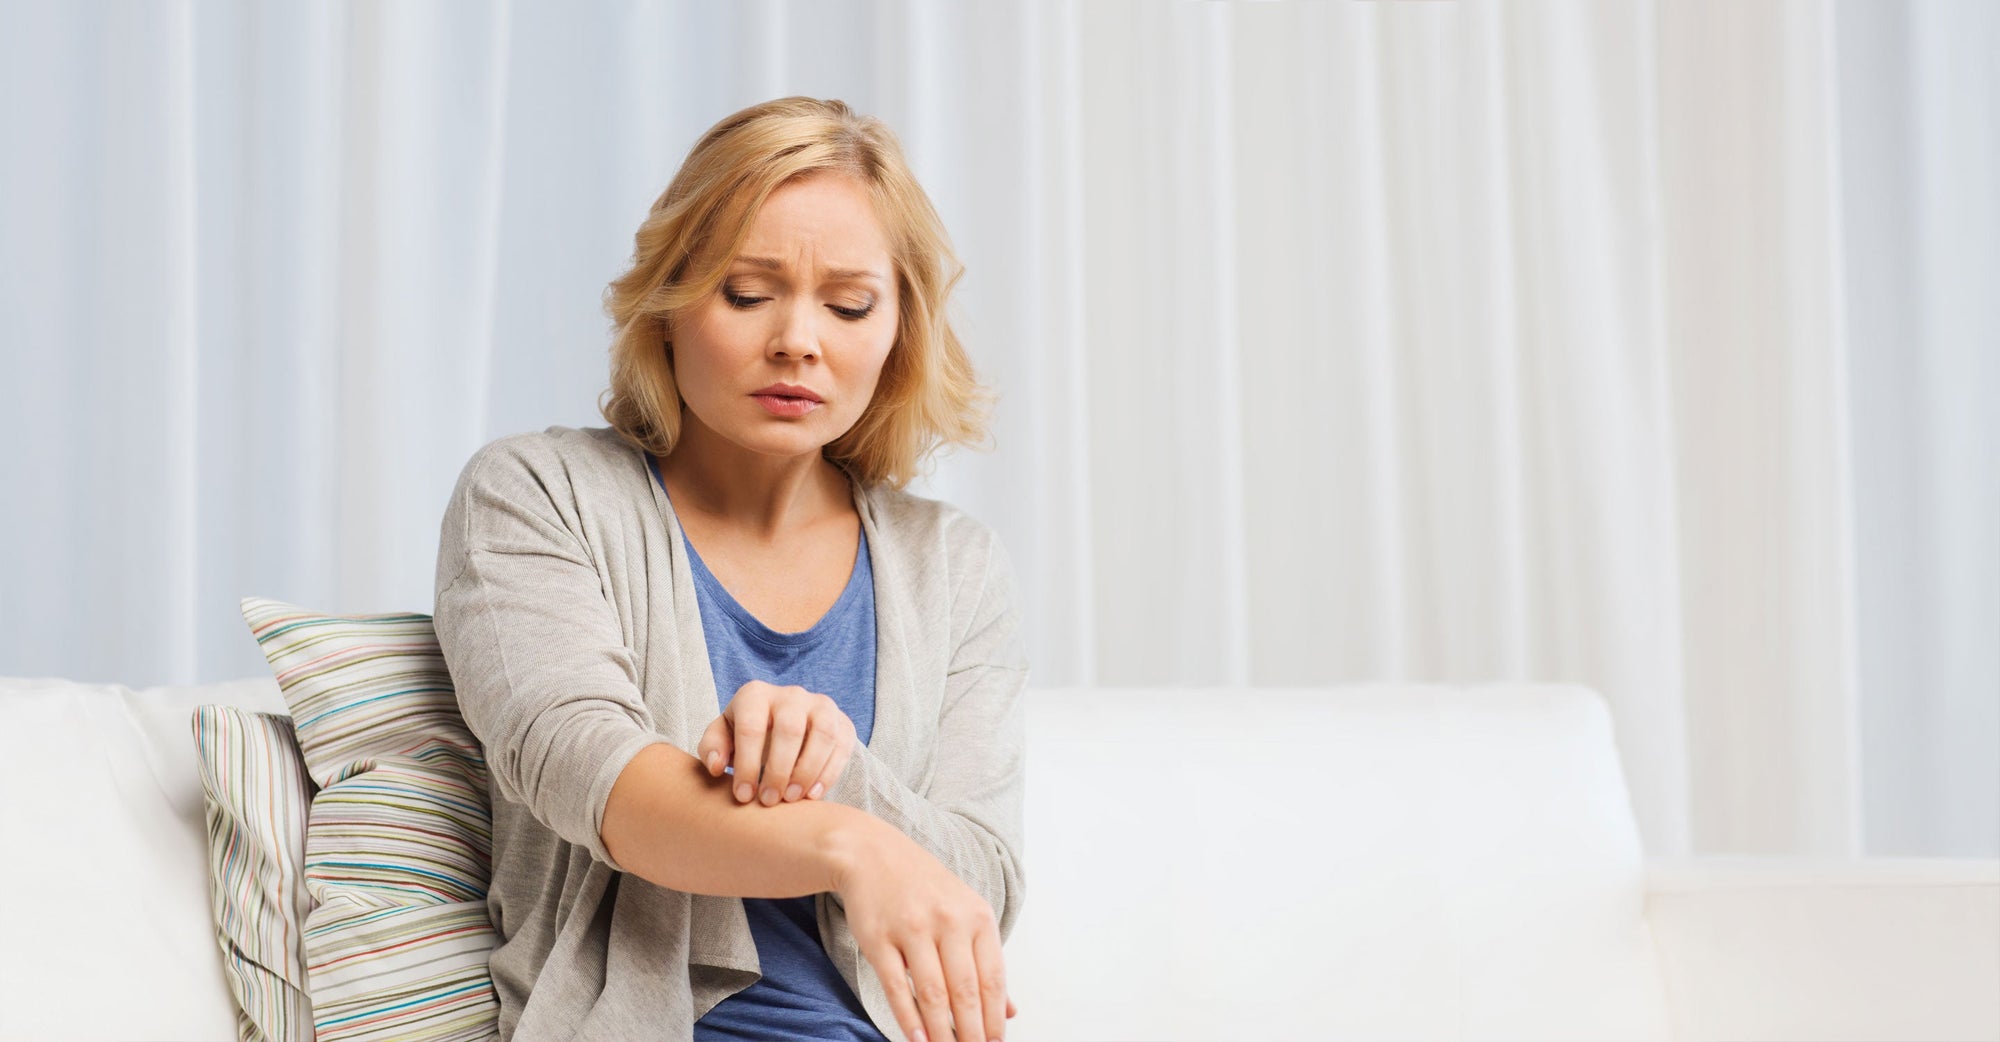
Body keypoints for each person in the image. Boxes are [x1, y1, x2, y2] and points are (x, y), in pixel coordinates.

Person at [431, 96, 1028, 1042]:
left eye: (849, 304)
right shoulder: (535, 493)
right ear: (668, 306)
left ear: (898, 332)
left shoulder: (952, 566)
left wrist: (831, 764)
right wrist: (851, 844)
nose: (798, 339)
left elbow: (980, 883)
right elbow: (591, 777)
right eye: (747, 294)